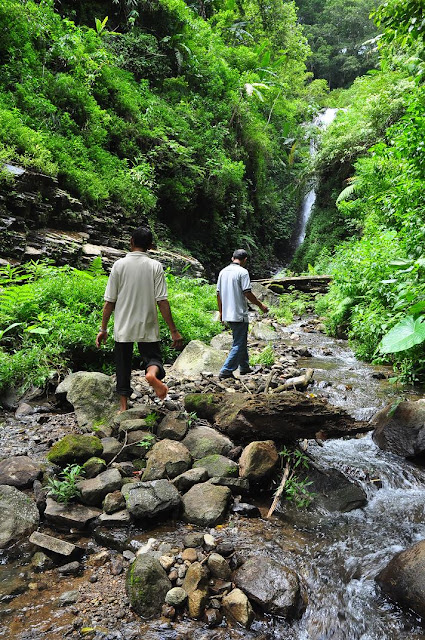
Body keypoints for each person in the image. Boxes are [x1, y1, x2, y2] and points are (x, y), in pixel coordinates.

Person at [96, 226, 183, 411]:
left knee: (122, 366)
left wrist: (103, 329)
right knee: (153, 359)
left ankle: (123, 407)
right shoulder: (155, 266)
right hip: (147, 324)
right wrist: (173, 331)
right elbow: (162, 301)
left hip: (123, 326)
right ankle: (151, 375)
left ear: (131, 242)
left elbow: (109, 302)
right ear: (150, 246)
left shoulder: (119, 265)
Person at [216, 249, 269, 380]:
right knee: (239, 343)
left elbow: (218, 294)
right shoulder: (243, 272)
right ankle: (226, 370)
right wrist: (260, 305)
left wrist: (221, 311)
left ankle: (244, 367)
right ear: (244, 260)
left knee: (240, 340)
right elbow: (247, 293)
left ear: (232, 258)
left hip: (228, 313)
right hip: (239, 313)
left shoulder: (222, 272)